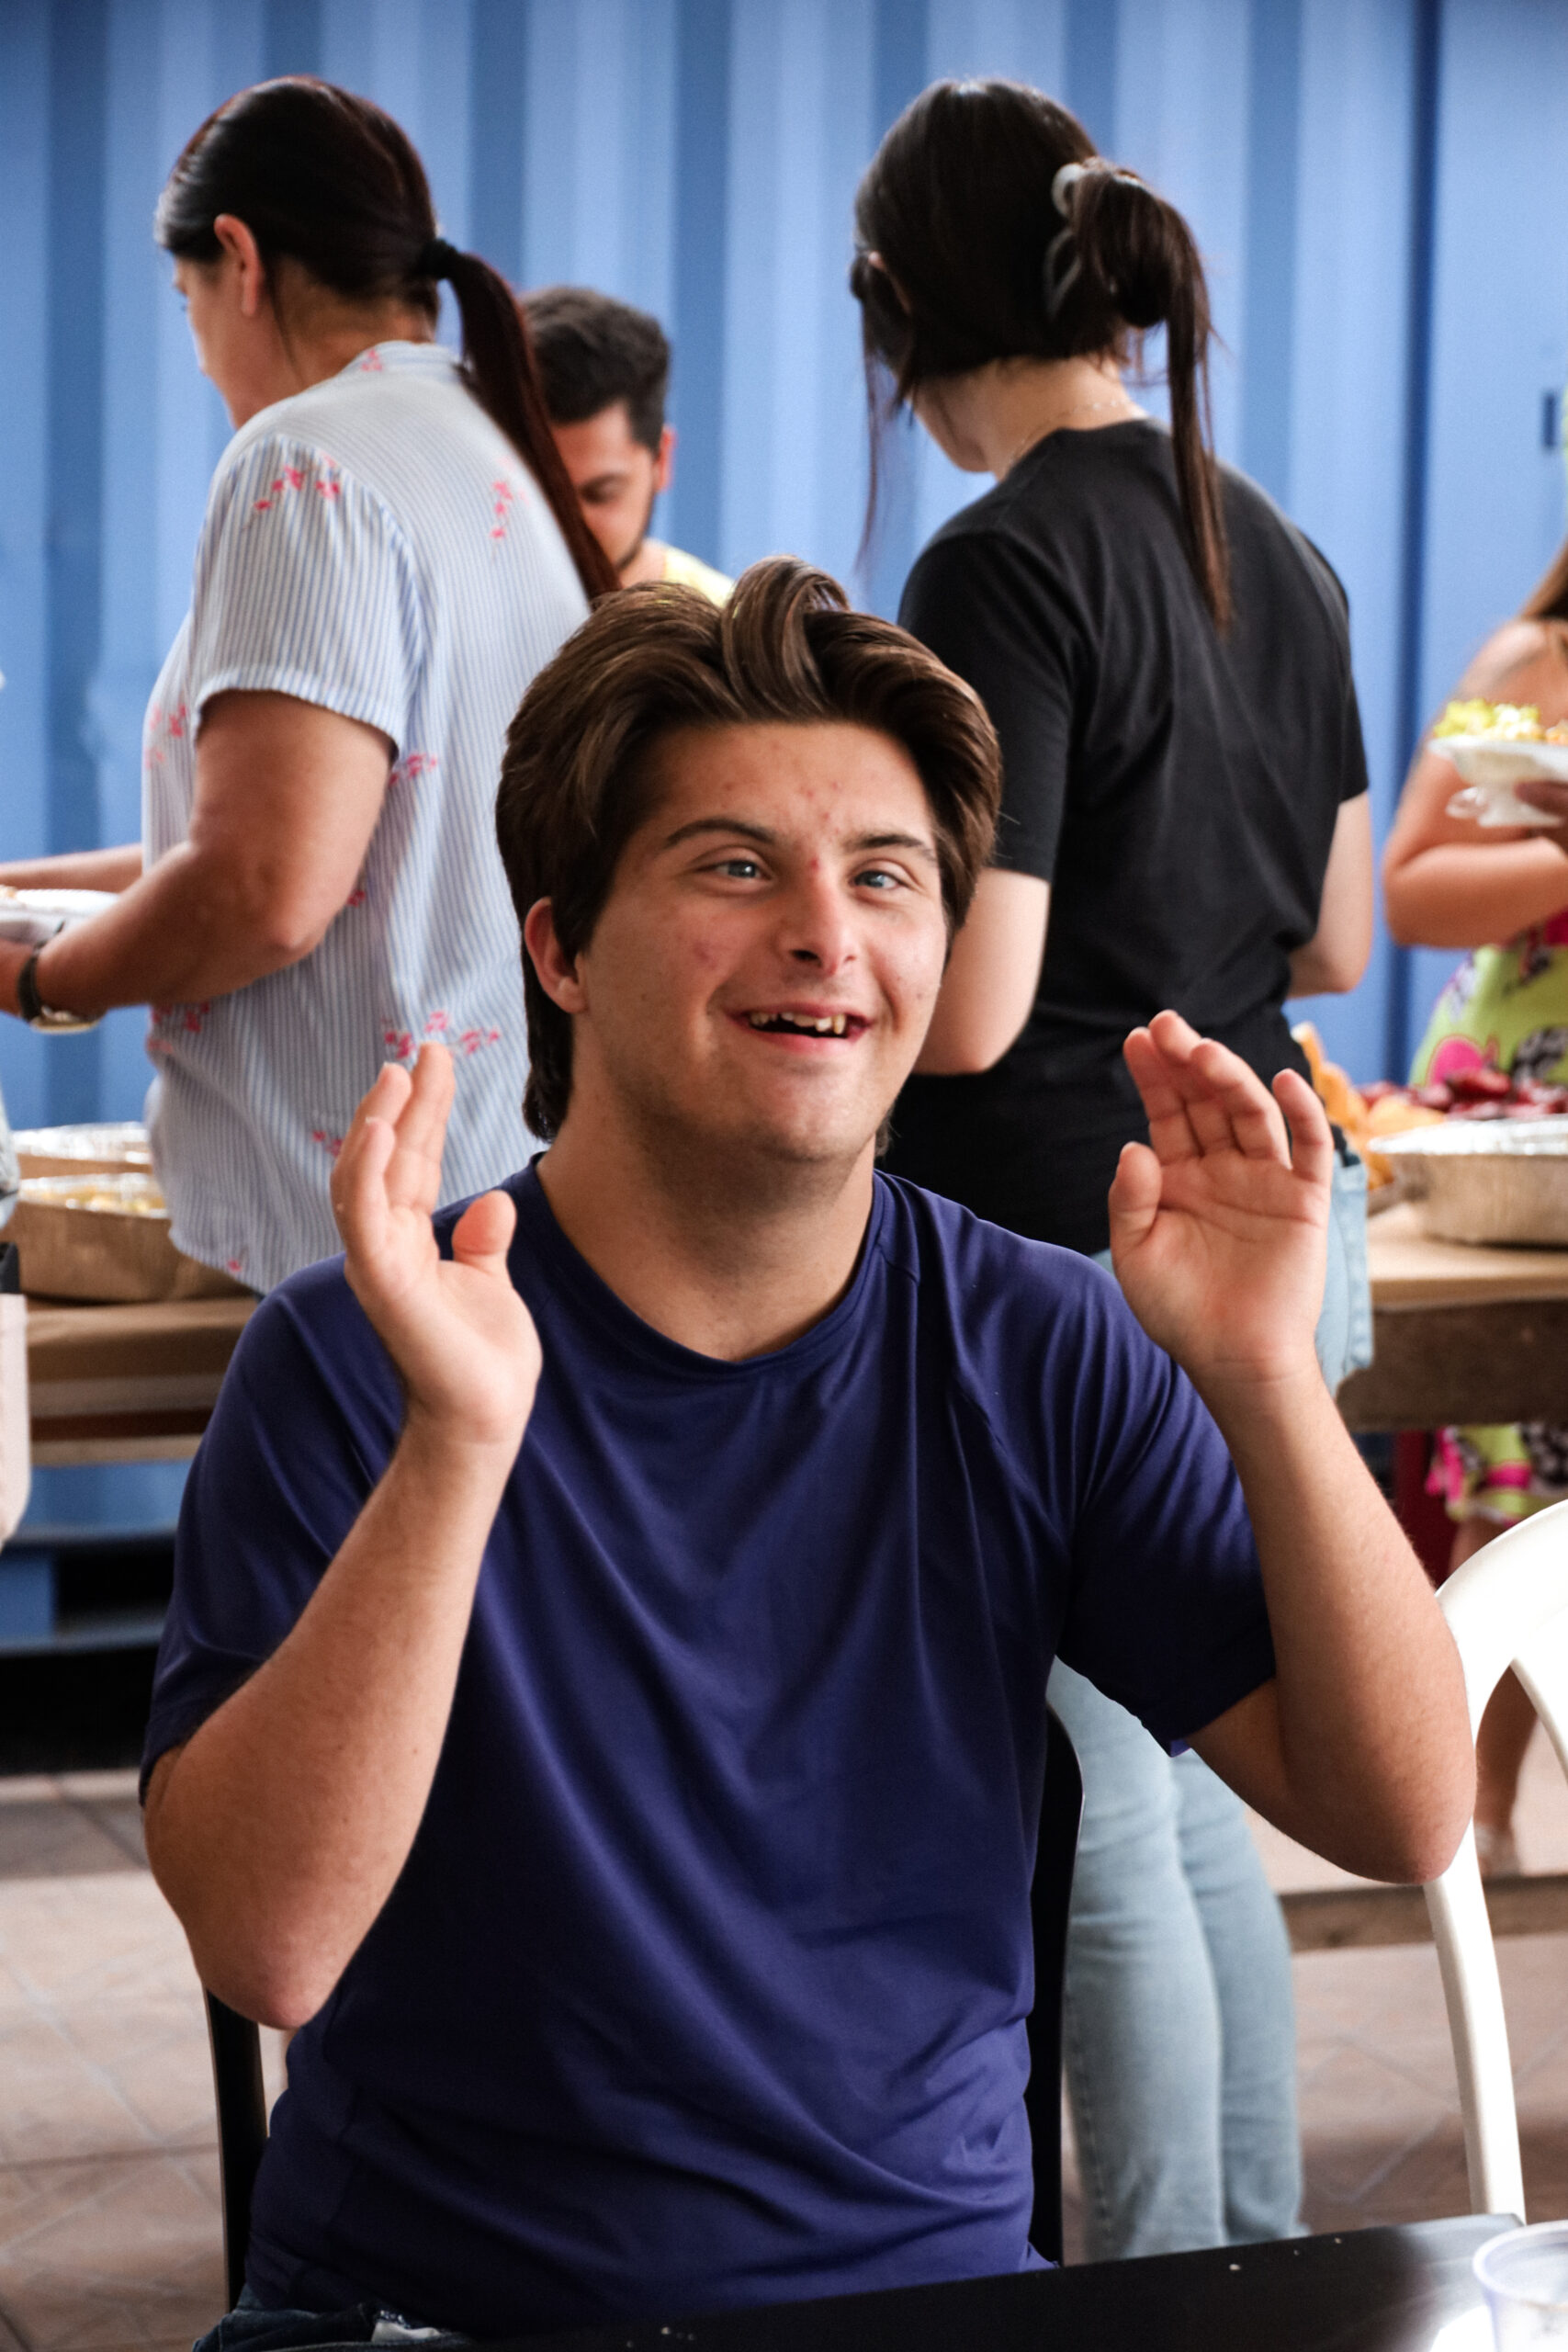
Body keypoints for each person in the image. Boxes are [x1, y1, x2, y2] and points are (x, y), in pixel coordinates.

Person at [141, 560, 1469, 2346]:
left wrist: (1262, 1375)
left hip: (936, 2300)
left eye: (886, 876)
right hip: (436, 2313)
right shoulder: (354, 1352)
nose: (826, 935)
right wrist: (456, 1447)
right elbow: (267, 1951)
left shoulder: (1038, 1343)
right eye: (734, 866)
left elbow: (1401, 1814)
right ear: (559, 946)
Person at [848, 80, 1375, 2260]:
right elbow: (1336, 938)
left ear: (900, 304)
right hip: (1268, 1224)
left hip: (1088, 1253)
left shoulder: (997, 559)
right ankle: (1238, 2254)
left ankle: (1159, 2284)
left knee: (1099, 1798)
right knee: (1205, 1785)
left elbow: (968, 1006)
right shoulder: (1276, 544)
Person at [0, 77, 616, 1295]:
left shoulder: (303, 460)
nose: (198, 353)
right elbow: (326, 839)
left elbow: (265, 889)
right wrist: (17, 892)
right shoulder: (477, 440)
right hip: (484, 1188)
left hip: (360, 1233)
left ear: (238, 260)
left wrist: (36, 979)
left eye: (186, 303)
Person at [1382, 532, 1568, 1877]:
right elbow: (1408, 887)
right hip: (1522, 1121)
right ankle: (1473, 1832)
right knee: (1514, 1490)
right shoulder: (1534, 664)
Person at [524, 283, 734, 601]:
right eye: (540, 493)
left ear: (661, 460)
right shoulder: (452, 612)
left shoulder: (731, 626)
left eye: (600, 494)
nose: (566, 524)